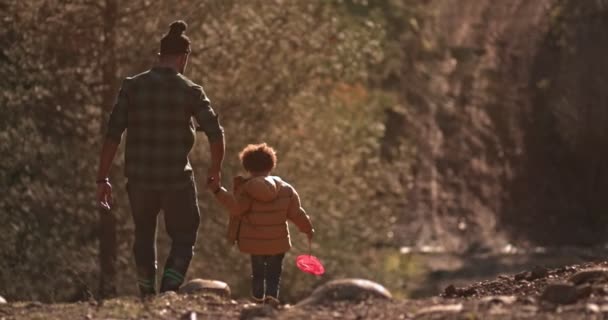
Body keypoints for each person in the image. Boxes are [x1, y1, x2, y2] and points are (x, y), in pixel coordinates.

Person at [95, 20, 225, 296]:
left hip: (140, 180)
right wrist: (215, 171)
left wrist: (102, 177)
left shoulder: (132, 87)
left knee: (144, 233)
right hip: (177, 179)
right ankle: (169, 288)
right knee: (185, 234)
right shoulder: (191, 91)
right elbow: (215, 133)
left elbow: (112, 134)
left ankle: (147, 294)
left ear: (159, 56)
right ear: (184, 57)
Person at [207, 143, 314, 306]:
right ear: (271, 164)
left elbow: (236, 208)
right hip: (277, 242)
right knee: (273, 274)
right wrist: (307, 229)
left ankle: (257, 301)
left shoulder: (245, 189)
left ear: (247, 166)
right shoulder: (286, 189)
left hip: (254, 242)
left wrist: (217, 191)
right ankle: (271, 301)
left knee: (258, 273)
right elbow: (296, 213)